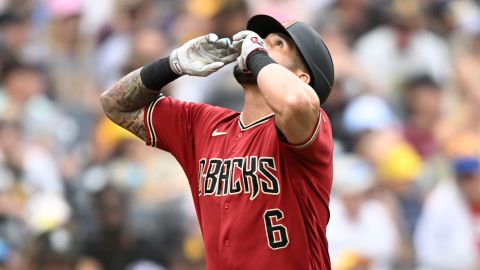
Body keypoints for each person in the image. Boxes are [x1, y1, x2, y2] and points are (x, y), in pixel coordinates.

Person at [100, 14, 334, 270]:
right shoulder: (203, 124)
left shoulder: (310, 125)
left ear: (302, 79)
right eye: (261, 39)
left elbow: (294, 102)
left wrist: (257, 55)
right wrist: (172, 65)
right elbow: (114, 105)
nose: (258, 43)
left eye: (277, 44)